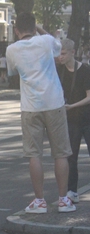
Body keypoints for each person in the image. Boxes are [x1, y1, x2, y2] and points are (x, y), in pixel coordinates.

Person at [5, 12, 76, 213]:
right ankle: (63, 199)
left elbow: (11, 71)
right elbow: (57, 46)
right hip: (54, 102)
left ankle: (39, 201)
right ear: (34, 27)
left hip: (30, 107)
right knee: (61, 153)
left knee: (34, 154)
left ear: (16, 30)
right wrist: (40, 30)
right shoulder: (45, 41)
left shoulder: (12, 49)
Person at [56, 38, 90, 204]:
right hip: (71, 119)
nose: (60, 57)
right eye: (59, 54)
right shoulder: (59, 70)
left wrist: (72, 106)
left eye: (63, 54)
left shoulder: (85, 70)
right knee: (71, 156)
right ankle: (72, 191)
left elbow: (89, 97)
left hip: (87, 117)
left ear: (72, 53)